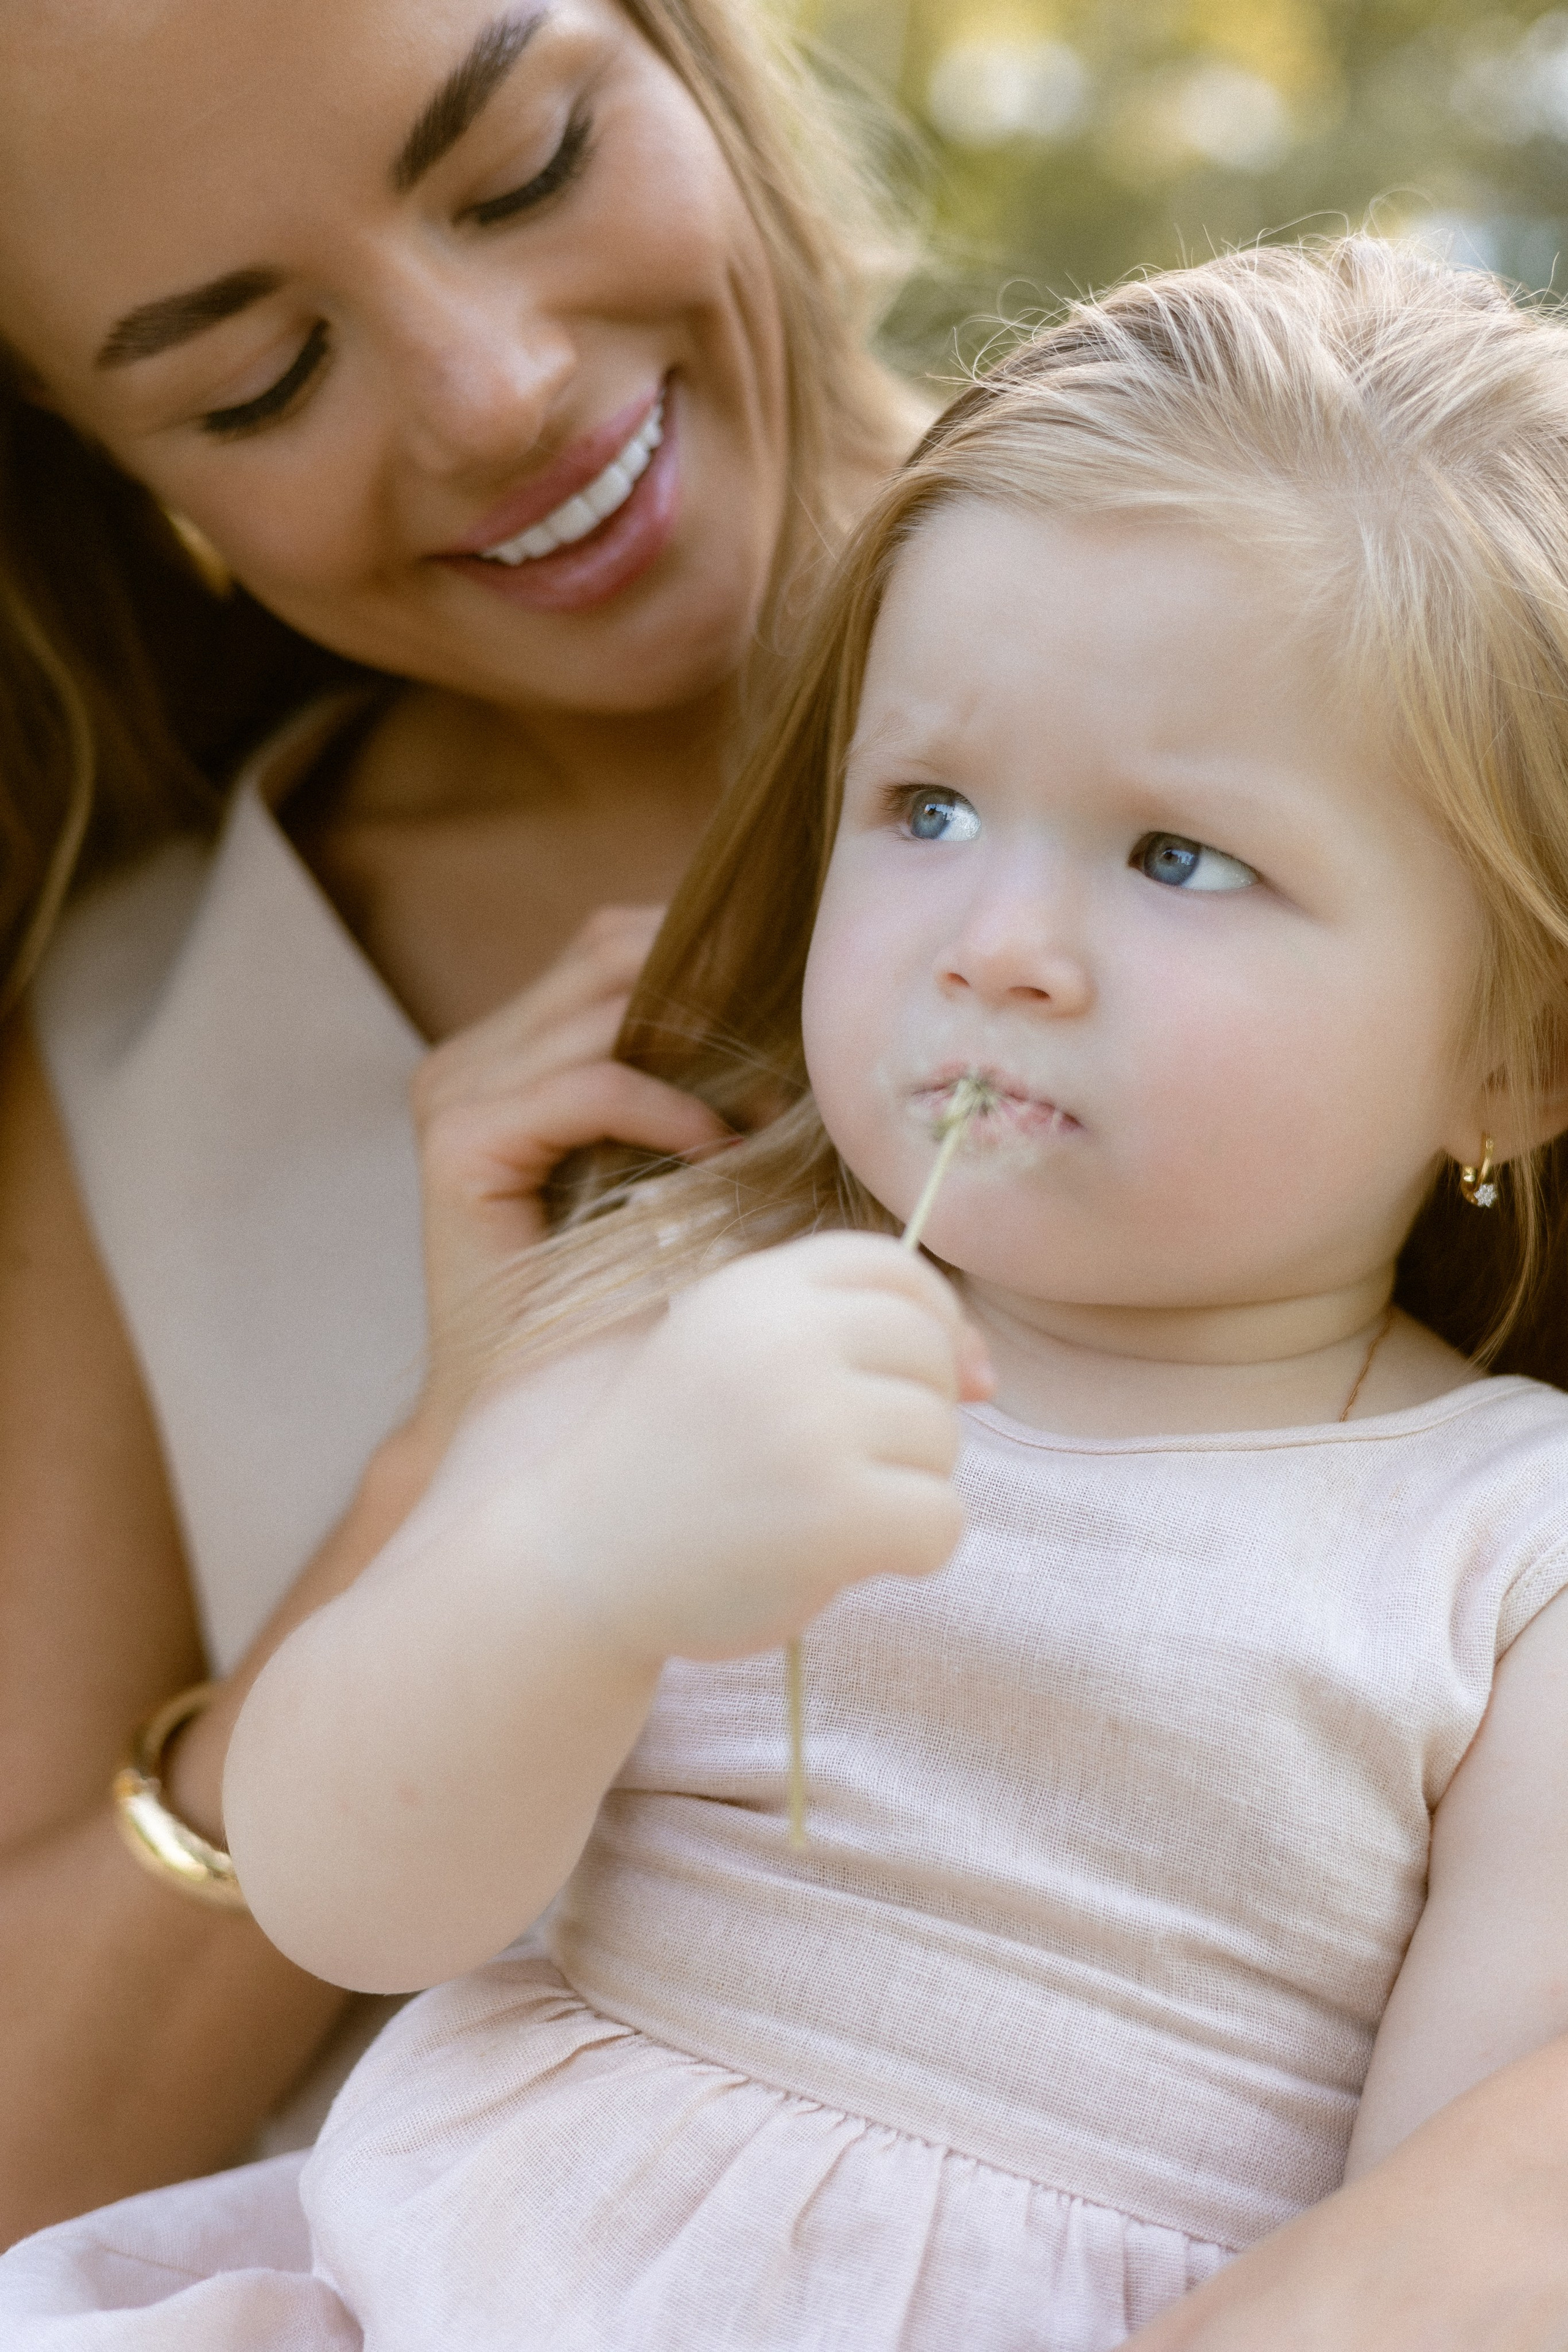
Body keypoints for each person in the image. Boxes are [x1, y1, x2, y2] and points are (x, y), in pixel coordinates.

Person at [9, 233, 1568, 2349]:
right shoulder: (687, 1300)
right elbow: (351, 1887)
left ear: (1518, 1055)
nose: (996, 938)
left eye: (1182, 857)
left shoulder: (1511, 1547)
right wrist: (585, 1572)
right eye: (926, 807)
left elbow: (1465, 2222)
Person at [0, 0, 924, 2240]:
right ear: (110, 471)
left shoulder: (1387, 632)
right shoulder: (140, 1039)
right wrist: (442, 1483)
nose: (492, 386)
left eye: (519, 165)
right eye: (254, 381)